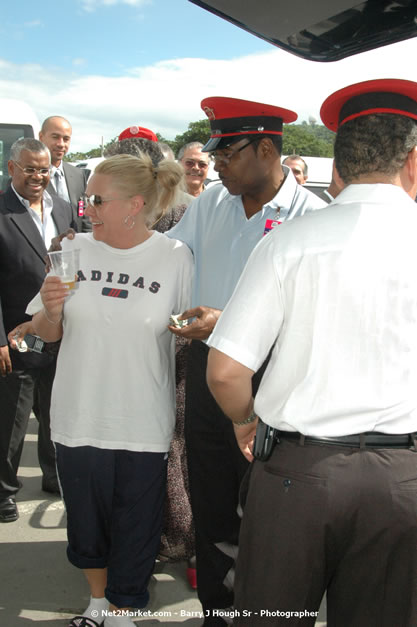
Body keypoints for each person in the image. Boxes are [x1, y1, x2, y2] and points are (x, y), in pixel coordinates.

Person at [206, 78, 417, 627]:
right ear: (413, 162)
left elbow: (226, 371)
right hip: (404, 480)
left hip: (297, 475)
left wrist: (245, 422)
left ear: (339, 169)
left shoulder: (289, 241)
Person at [166, 96, 326, 625]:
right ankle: (219, 611)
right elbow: (169, 255)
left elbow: (313, 313)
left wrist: (228, 322)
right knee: (211, 502)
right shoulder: (211, 203)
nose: (216, 167)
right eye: (212, 157)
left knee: (270, 511)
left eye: (226, 155)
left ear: (265, 148)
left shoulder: (313, 218)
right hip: (211, 373)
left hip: (276, 379)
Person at [20, 153, 192, 627]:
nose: (86, 207)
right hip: (78, 416)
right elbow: (45, 331)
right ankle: (98, 603)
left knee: (137, 526)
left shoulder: (174, 258)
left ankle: (123, 610)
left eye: (96, 199)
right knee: (87, 521)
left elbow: (184, 328)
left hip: (142, 420)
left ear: (133, 205)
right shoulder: (73, 250)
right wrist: (50, 311)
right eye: (86, 198)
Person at [105, 131, 196, 579]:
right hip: (168, 341)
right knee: (169, 440)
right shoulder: (180, 208)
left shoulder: (156, 213)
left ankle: (165, 535)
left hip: (150, 343)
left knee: (153, 443)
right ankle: (173, 535)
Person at [0, 138, 77, 522]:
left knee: (54, 410)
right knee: (12, 417)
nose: (37, 176)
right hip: (16, 333)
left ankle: (53, 475)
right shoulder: (1, 210)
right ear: (11, 168)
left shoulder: (62, 209)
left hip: (58, 331)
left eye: (44, 169)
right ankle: (4, 491)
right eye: (29, 168)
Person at [40, 116, 90, 232]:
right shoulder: (30, 176)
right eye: (55, 137)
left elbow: (84, 214)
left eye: (66, 139)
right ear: (41, 137)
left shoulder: (78, 175)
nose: (61, 144)